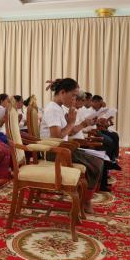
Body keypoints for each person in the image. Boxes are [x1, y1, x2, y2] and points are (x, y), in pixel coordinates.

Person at [41, 78, 103, 212]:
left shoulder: (58, 107)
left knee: (98, 160)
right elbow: (56, 136)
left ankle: (85, 198)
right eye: (73, 95)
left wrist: (82, 124)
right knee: (97, 163)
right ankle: (86, 200)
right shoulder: (52, 109)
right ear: (63, 92)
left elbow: (69, 131)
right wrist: (71, 123)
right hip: (54, 151)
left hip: (63, 148)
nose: (75, 99)